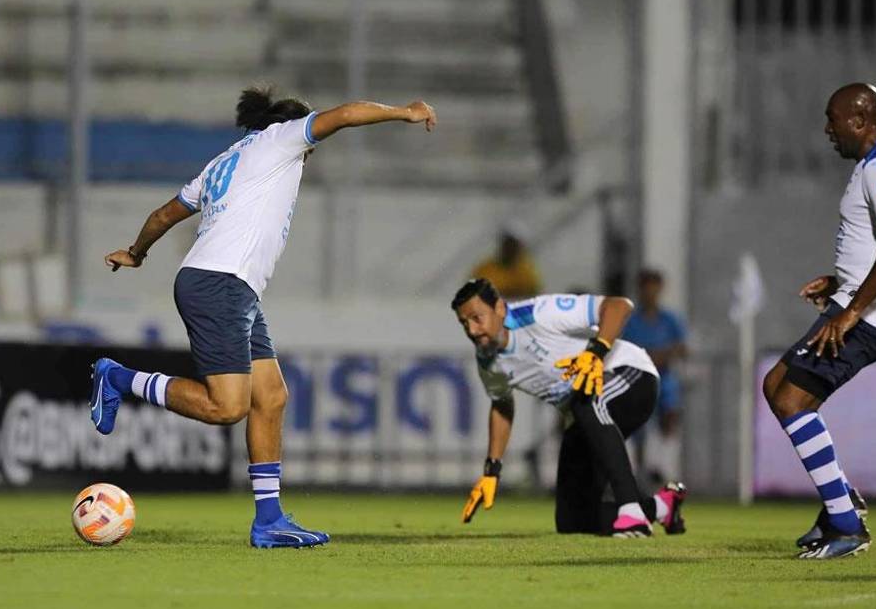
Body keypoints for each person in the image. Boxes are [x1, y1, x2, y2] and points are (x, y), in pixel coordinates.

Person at [92, 86, 437, 548]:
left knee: (270, 396)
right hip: (219, 283)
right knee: (227, 407)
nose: (309, 155)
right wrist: (404, 111)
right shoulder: (282, 139)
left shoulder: (222, 163)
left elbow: (163, 214)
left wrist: (136, 253)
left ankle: (269, 520)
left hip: (233, 287)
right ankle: (117, 378)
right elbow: (346, 114)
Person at [762, 82, 876, 559]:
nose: (828, 129)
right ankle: (840, 504)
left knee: (792, 400)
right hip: (861, 301)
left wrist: (851, 311)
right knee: (777, 385)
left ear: (861, 120)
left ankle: (847, 527)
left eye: (833, 119)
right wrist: (839, 281)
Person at [451, 278, 687, 537]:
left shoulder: (538, 313)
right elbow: (502, 405)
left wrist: (595, 353)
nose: (472, 330)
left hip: (632, 375)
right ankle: (662, 507)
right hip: (586, 410)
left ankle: (632, 513)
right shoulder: (488, 362)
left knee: (585, 400)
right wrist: (492, 470)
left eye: (477, 318)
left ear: (499, 308)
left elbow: (619, 306)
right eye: (464, 323)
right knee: (572, 521)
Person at [620, 268, 687, 483]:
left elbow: (682, 347)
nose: (650, 293)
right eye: (646, 288)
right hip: (636, 378)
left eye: (654, 288)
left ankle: (664, 468)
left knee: (669, 416)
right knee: (633, 423)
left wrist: (663, 355)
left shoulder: (670, 319)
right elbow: (623, 348)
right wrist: (648, 357)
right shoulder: (630, 320)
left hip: (663, 378)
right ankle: (633, 470)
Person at [471, 230, 541, 299]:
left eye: (513, 246)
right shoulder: (485, 270)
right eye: (508, 245)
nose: (510, 249)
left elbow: (535, 294)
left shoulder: (526, 271)